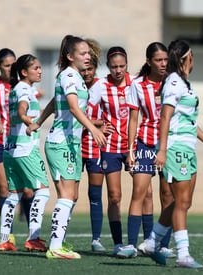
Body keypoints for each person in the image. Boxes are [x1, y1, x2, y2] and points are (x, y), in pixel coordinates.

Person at [143, 40, 203, 268]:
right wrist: (162, 150)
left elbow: (188, 121)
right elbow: (165, 118)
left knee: (183, 202)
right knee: (182, 201)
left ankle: (151, 243)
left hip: (188, 148)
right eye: (192, 56)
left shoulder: (185, 84)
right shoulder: (174, 83)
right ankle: (183, 255)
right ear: (187, 58)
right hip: (176, 148)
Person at [28, 35, 107, 259]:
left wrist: (38, 121)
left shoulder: (75, 77)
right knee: (65, 194)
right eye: (82, 53)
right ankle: (54, 247)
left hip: (71, 143)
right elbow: (72, 107)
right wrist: (93, 128)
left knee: (71, 197)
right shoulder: (70, 75)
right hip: (61, 143)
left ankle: (58, 243)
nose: (87, 56)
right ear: (70, 56)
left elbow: (55, 101)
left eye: (88, 53)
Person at [120, 42, 175, 259]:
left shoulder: (173, 83)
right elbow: (133, 119)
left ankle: (162, 245)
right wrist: (130, 149)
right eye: (159, 60)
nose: (163, 64)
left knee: (168, 195)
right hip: (144, 143)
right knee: (139, 192)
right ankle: (131, 245)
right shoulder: (137, 85)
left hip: (169, 143)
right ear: (148, 61)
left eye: (166, 60)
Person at [0, 54, 50, 252]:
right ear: (24, 72)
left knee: (13, 195)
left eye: (40, 67)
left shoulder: (16, 88)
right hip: (25, 150)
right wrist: (28, 121)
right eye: (36, 68)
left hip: (9, 150)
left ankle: (4, 239)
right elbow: (21, 109)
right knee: (43, 192)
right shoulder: (25, 89)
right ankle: (33, 237)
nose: (40, 70)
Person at [87, 46, 134, 256]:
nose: (118, 70)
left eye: (122, 66)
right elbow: (82, 111)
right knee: (115, 196)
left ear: (126, 65)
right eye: (114, 67)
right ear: (108, 67)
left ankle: (147, 242)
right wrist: (98, 124)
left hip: (135, 145)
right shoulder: (101, 86)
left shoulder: (136, 83)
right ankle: (118, 243)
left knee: (146, 193)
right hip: (111, 147)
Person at [0, 48, 34, 244]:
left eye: (13, 65)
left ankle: (34, 234)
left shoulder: (24, 86)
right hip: (0, 141)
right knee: (4, 189)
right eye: (7, 66)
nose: (10, 69)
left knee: (30, 189)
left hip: (21, 141)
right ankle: (9, 234)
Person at [80, 39, 112, 252]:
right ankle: (60, 238)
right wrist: (97, 123)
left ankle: (96, 239)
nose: (87, 73)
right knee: (70, 194)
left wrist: (101, 125)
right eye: (84, 69)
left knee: (95, 193)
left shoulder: (103, 86)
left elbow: (109, 117)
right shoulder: (72, 83)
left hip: (94, 146)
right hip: (73, 143)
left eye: (90, 69)